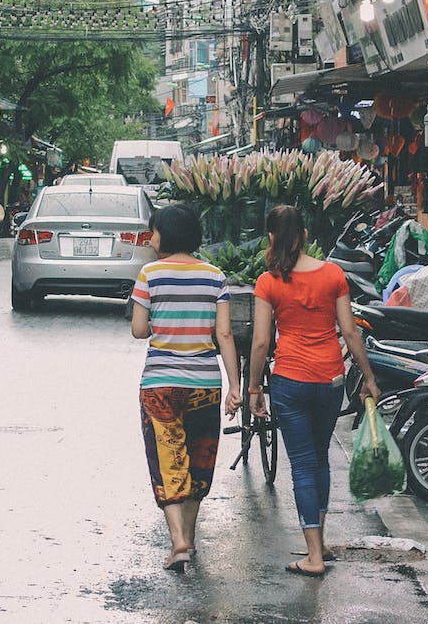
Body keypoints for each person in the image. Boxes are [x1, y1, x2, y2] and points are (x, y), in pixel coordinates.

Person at [249, 204, 379, 578]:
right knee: (319, 460)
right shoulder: (333, 274)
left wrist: (255, 387)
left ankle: (314, 556)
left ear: (271, 237)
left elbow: (260, 342)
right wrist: (367, 376)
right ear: (305, 235)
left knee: (303, 465)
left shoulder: (268, 281)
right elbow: (350, 332)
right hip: (330, 381)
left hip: (290, 381)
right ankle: (316, 544)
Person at [129, 205, 241, 574]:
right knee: (198, 460)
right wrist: (234, 386)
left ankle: (179, 542)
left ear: (167, 235)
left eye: (155, 232)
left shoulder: (150, 274)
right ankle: (187, 540)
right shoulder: (214, 276)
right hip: (205, 383)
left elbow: (139, 330)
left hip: (160, 384)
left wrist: (163, 322)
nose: (152, 238)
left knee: (168, 462)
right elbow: (224, 334)